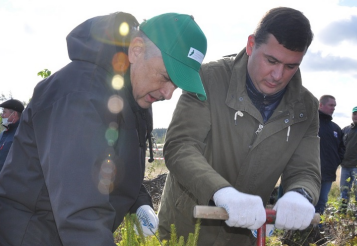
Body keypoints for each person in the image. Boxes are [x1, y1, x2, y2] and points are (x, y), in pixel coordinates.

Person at [0, 12, 207, 245]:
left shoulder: (133, 96)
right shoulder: (80, 97)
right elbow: (82, 213)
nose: (168, 94)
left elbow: (111, 164)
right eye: (165, 76)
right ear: (136, 50)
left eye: (176, 85)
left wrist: (140, 203)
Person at [158, 7, 320, 245]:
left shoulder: (306, 108)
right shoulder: (208, 79)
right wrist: (221, 192)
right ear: (251, 45)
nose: (278, 75)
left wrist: (301, 194)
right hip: (184, 229)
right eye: (271, 60)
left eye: (291, 66)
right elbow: (180, 147)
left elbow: (305, 170)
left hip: (242, 237)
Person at [314, 95, 345, 215]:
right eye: (331, 105)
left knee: (322, 201)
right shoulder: (312, 124)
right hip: (312, 171)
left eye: (334, 106)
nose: (333, 108)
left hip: (328, 172)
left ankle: (317, 228)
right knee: (309, 200)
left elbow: (342, 148)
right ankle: (304, 229)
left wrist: (336, 161)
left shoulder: (336, 128)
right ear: (321, 105)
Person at [339, 106, 357, 219]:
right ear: (352, 115)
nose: (356, 116)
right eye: (354, 114)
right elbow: (340, 146)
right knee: (343, 188)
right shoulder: (345, 129)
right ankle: (342, 209)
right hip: (345, 165)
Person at [0, 99, 24, 171]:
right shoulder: (3, 133)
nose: (2, 115)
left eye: (4, 112)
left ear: (14, 114)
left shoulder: (22, 133)